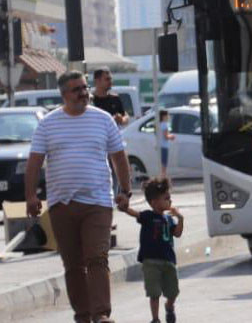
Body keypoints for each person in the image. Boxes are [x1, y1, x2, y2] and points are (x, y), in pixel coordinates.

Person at [24, 70, 132, 323]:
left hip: (98, 202)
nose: (84, 93)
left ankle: (101, 313)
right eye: (77, 90)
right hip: (62, 204)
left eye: (85, 88)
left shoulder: (103, 119)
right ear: (64, 95)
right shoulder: (48, 124)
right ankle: (83, 316)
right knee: (73, 265)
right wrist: (30, 196)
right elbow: (34, 162)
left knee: (97, 257)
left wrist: (125, 191)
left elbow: (119, 157)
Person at [118, 177, 183, 323]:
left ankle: (169, 306)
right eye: (166, 198)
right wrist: (124, 208)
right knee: (154, 293)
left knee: (173, 292)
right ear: (154, 202)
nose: (170, 201)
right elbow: (135, 213)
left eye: (170, 198)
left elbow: (177, 233)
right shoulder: (148, 216)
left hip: (168, 260)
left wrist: (181, 219)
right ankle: (155, 319)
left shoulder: (169, 219)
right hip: (150, 261)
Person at [157, 110, 174, 178]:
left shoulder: (159, 124)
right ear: (164, 116)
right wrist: (172, 136)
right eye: (167, 115)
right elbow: (166, 136)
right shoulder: (165, 124)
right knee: (164, 164)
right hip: (164, 146)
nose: (168, 117)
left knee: (162, 163)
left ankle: (162, 176)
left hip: (160, 146)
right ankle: (163, 177)